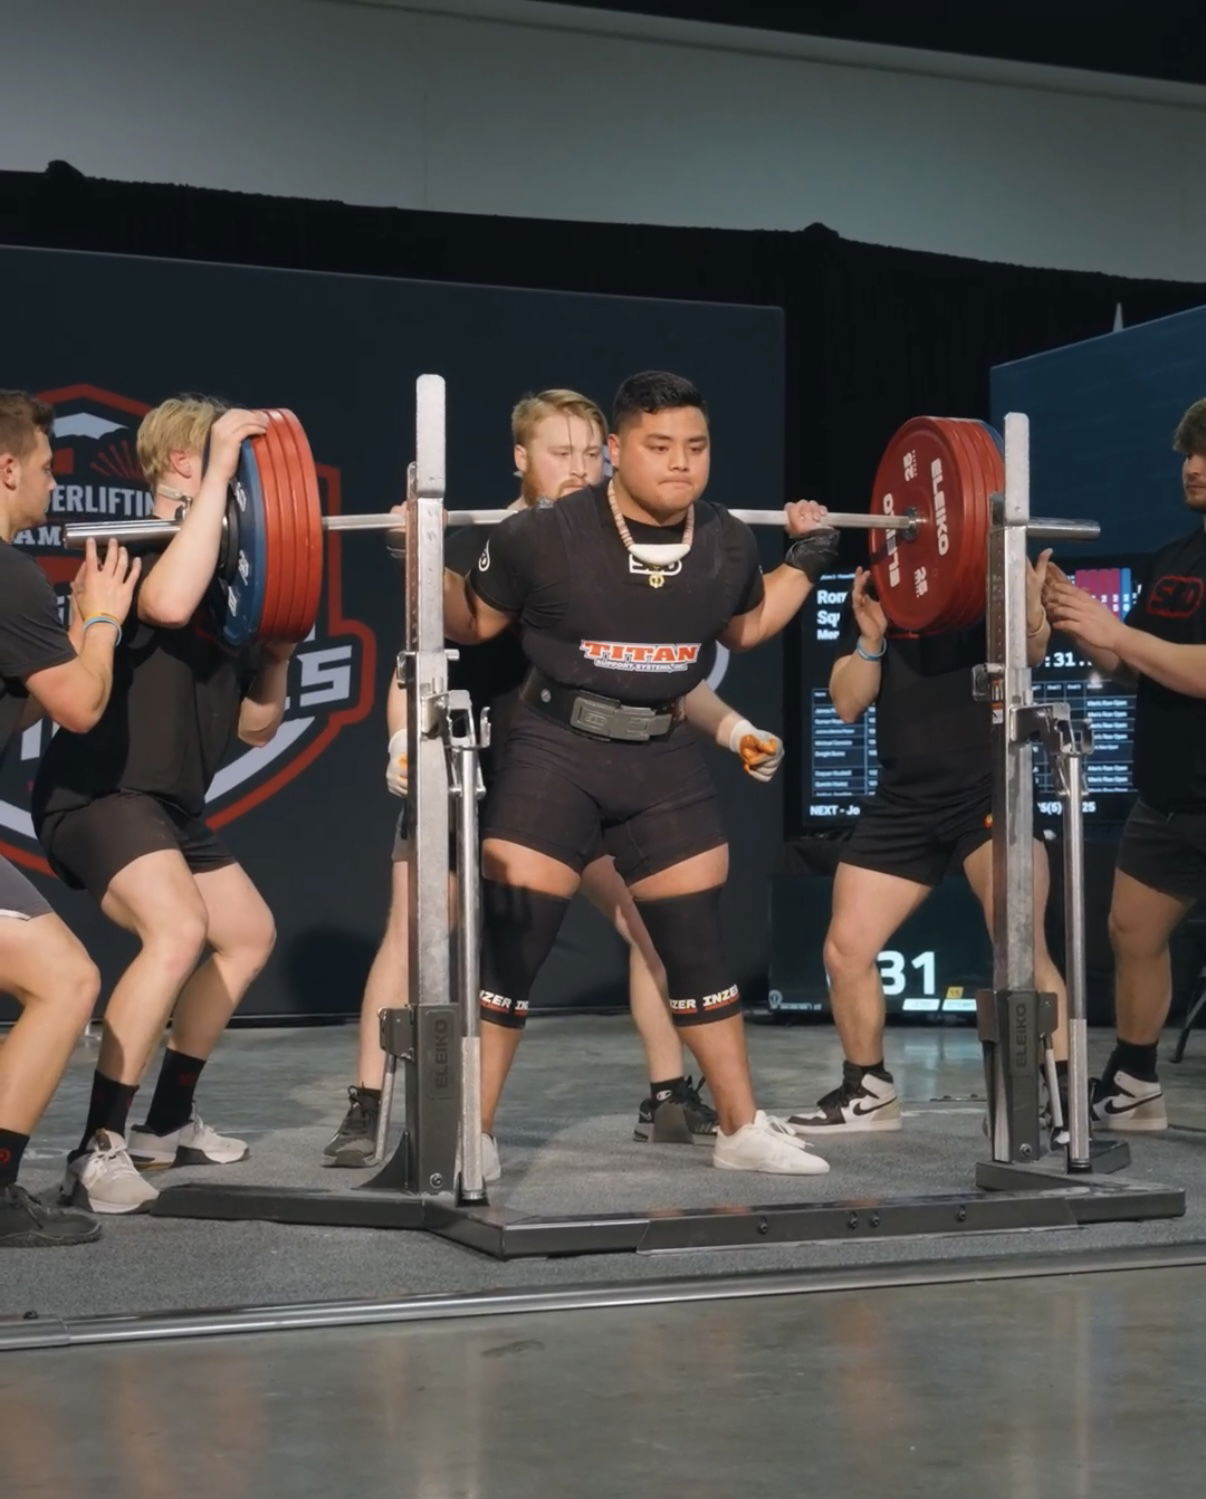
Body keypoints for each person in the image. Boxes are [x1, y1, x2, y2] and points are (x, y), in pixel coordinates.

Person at [325, 388, 786, 1166]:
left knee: (659, 925)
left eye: (585, 453)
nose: (575, 467)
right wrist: (403, 742)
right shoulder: (493, 544)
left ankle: (672, 1097)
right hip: (474, 766)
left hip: (575, 766)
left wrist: (736, 728)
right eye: (556, 453)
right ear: (520, 457)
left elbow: (661, 671)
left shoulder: (609, 547)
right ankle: (370, 1105)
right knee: (418, 931)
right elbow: (420, 658)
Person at [440, 369, 837, 1177]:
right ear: (618, 451)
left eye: (695, 446)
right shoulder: (544, 534)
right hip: (555, 750)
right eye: (660, 447)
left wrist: (806, 559)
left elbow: (748, 624)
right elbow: (472, 621)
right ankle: (469, 1134)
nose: (681, 462)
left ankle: (738, 1126)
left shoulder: (724, 538)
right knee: (513, 949)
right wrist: (425, 562)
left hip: (662, 757)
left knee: (696, 946)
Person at [31, 396, 289, 1216]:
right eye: (221, 463)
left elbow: (254, 728)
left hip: (169, 805)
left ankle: (164, 1123)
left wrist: (276, 655)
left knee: (247, 933)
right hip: (98, 795)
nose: (244, 482)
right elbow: (169, 605)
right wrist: (222, 466)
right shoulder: (128, 547)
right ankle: (96, 1145)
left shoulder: (232, 574)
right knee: (177, 931)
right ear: (187, 462)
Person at [786, 552, 1070, 1139]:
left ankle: (1059, 1097)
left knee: (1020, 946)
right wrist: (870, 642)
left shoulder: (984, 575)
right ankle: (868, 1089)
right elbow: (845, 702)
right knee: (845, 950)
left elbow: (1034, 654)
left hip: (990, 791)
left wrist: (1032, 611)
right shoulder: (881, 588)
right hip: (904, 800)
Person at [0, 389, 140, 1246]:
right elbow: (82, 706)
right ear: (7, 468)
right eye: (48, 468)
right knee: (68, 980)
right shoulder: (9, 569)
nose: (54, 487)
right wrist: (100, 619)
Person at [1043, 397, 1206, 1132]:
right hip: (1167, 799)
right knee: (1132, 934)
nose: (1192, 468)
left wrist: (1116, 633)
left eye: (1205, 455)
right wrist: (1075, 615)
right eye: (1188, 456)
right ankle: (1136, 1080)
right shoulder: (1174, 557)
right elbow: (1131, 664)